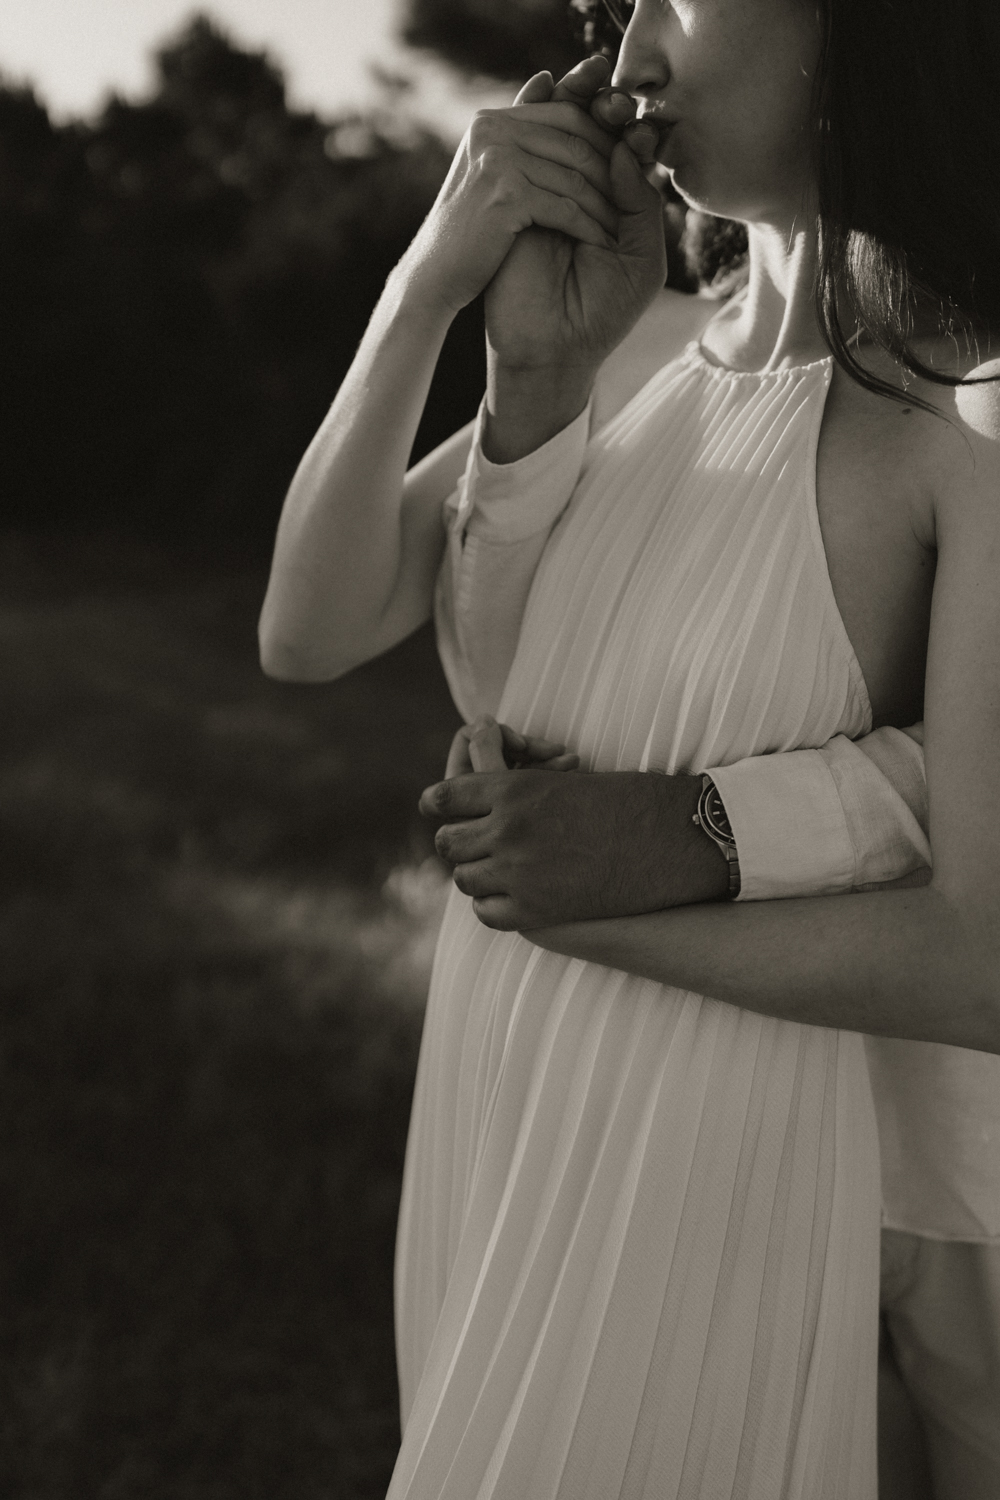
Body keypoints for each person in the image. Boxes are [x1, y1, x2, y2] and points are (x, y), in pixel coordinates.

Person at [259, 2, 1000, 1494]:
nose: (629, 55)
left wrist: (590, 903)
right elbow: (309, 626)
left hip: (714, 1135)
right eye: (620, 8)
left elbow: (980, 959)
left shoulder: (965, 413)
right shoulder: (636, 344)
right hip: (504, 1091)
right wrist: (433, 287)